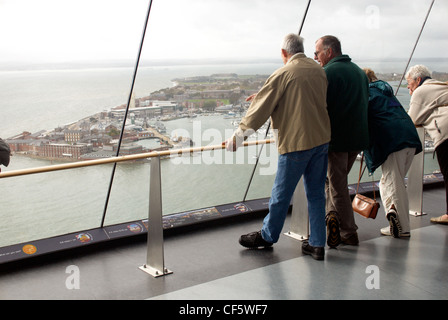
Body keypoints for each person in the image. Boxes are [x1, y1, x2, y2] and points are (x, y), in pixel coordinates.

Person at [225, 33, 331, 260]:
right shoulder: (318, 70)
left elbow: (259, 112)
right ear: (301, 49)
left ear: (284, 53)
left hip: (296, 143)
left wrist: (238, 138)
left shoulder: (283, 73)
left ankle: (268, 236)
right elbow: (304, 99)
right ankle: (317, 244)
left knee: (281, 195)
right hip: (321, 141)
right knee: (316, 195)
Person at [314, 35, 369, 247]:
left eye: (317, 53)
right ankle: (332, 218)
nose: (316, 57)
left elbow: (319, 106)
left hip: (336, 140)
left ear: (329, 52)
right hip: (357, 138)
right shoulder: (359, 72)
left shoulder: (327, 73)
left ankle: (348, 231)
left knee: (337, 186)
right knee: (333, 181)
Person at [363, 68, 422, 238]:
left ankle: (402, 227)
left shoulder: (368, 95)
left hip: (392, 141)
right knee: (389, 182)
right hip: (410, 138)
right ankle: (393, 211)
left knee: (393, 183)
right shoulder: (387, 93)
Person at [406, 65, 448, 224]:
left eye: (409, 84)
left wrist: (413, 96)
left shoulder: (420, 91)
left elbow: (413, 120)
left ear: (418, 80)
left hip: (445, 134)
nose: (409, 87)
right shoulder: (439, 85)